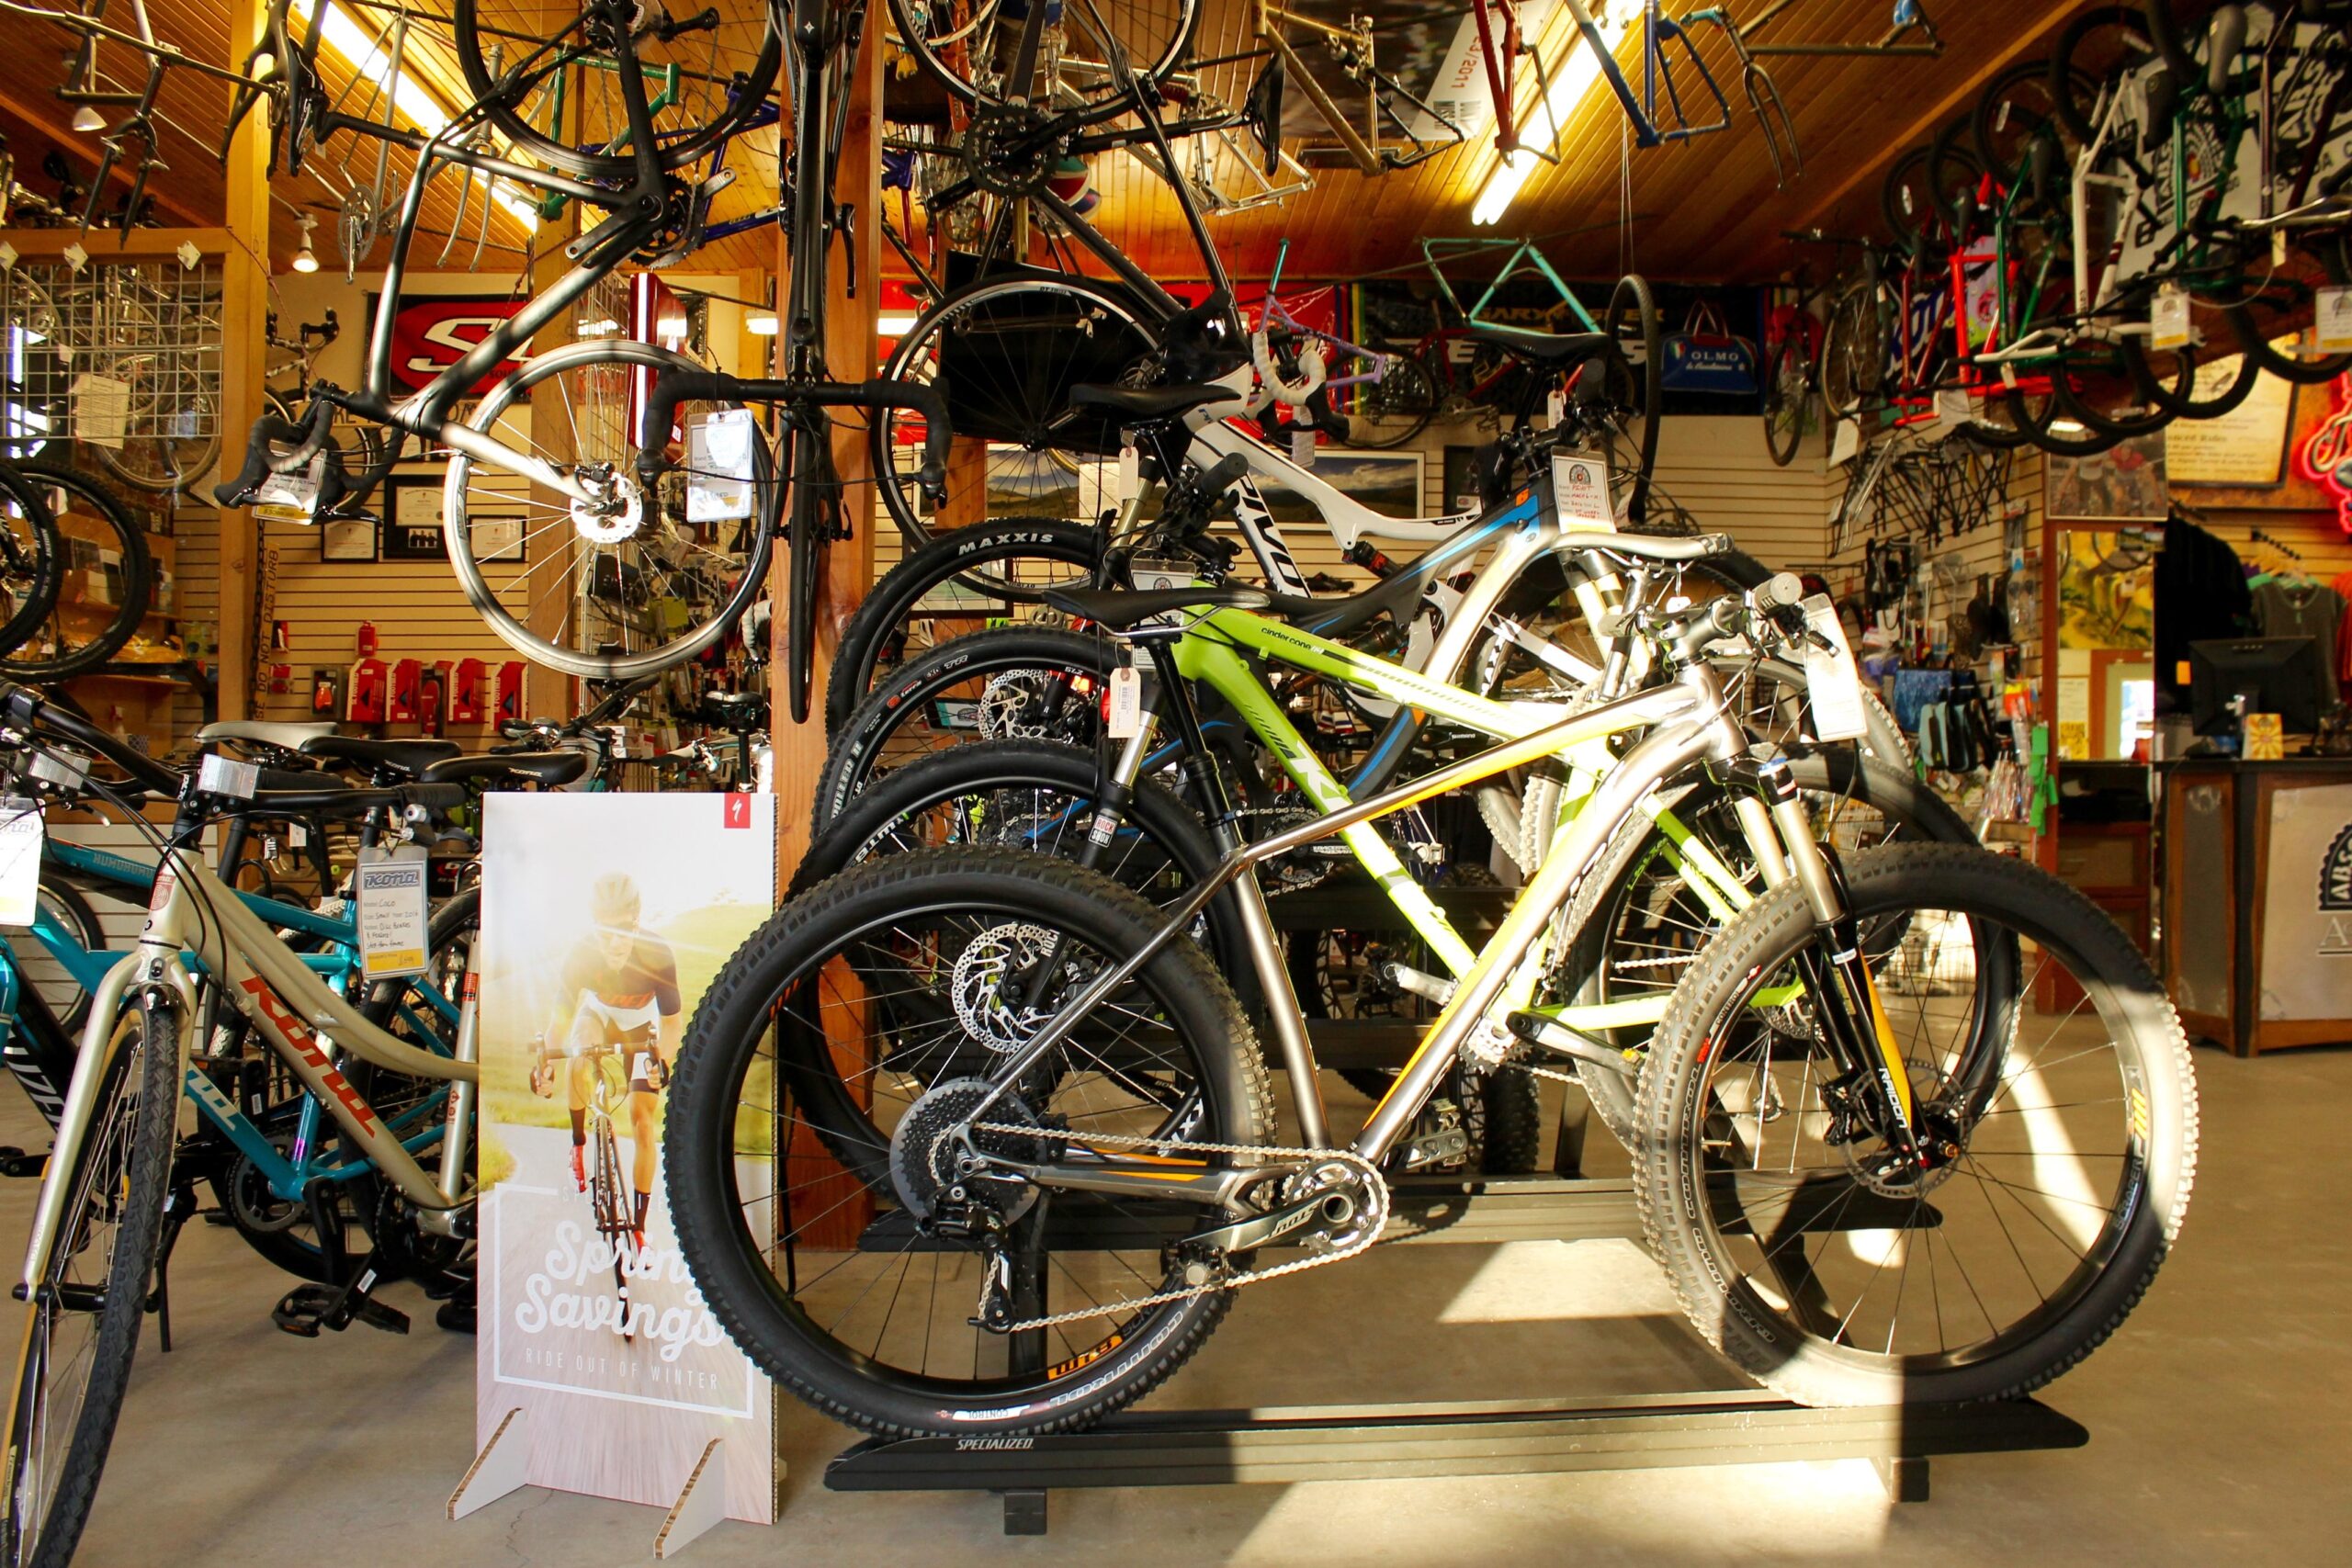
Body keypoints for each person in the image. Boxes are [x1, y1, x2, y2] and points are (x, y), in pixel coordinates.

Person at [538, 871, 682, 1250]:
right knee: (579, 1050)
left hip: (640, 1026)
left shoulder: (657, 952)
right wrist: (546, 1064)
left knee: (643, 1121)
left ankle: (639, 1224)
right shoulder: (580, 953)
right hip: (598, 1016)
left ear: (637, 921)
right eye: (606, 931)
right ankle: (579, 1143)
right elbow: (559, 1023)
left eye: (624, 930)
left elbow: (671, 1023)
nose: (616, 942)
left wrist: (661, 1065)